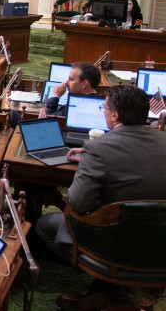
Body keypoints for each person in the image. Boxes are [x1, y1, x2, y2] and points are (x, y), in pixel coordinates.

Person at [35, 85, 166, 263]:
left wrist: (92, 162)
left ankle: (104, 278)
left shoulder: (97, 148)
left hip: (112, 242)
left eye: (103, 108)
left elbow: (78, 204)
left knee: (43, 225)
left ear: (115, 115)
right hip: (159, 241)